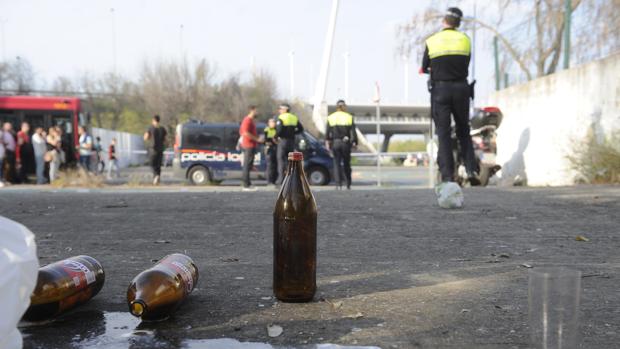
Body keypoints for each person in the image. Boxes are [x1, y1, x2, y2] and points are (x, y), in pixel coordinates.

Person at [420, 7, 480, 186]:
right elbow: (465, 63)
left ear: (443, 21)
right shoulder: (465, 40)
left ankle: (447, 175)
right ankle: (471, 169)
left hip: (440, 90)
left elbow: (424, 67)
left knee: (444, 133)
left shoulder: (432, 41)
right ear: (459, 23)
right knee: (463, 130)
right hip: (461, 88)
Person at [325, 100, 357, 190]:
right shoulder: (349, 117)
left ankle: (338, 184)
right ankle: (348, 184)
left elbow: (328, 132)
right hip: (346, 143)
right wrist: (354, 142)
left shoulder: (331, 117)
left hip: (335, 143)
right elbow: (353, 132)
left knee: (336, 164)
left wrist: (327, 142)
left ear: (337, 107)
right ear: (344, 107)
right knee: (347, 164)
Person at [275, 103, 304, 185]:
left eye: (280, 109)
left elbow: (279, 130)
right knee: (289, 161)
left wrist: (275, 136)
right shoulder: (294, 117)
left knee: (280, 160)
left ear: (284, 110)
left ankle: (281, 180)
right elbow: (301, 129)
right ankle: (290, 179)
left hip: (283, 141)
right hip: (291, 141)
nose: (279, 110)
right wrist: (293, 133)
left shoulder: (281, 117)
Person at [239, 106, 264, 190]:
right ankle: (245, 185)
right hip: (248, 145)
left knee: (249, 165)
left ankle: (248, 184)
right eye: (256, 111)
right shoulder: (247, 120)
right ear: (252, 111)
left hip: (251, 145)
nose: (257, 113)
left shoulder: (251, 121)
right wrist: (257, 139)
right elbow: (245, 133)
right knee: (247, 165)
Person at [144, 115, 167, 185]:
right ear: (159, 120)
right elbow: (166, 140)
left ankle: (156, 176)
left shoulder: (151, 128)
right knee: (158, 165)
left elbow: (146, 137)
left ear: (153, 120)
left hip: (152, 149)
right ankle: (157, 178)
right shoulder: (162, 129)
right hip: (160, 149)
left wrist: (147, 137)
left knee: (152, 164)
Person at [263, 118, 278, 186]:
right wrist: (271, 141)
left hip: (276, 149)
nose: (273, 123)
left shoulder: (277, 129)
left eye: (274, 122)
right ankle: (269, 181)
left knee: (276, 165)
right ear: (269, 123)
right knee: (270, 165)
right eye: (271, 122)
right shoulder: (266, 129)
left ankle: (274, 181)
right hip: (269, 149)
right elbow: (265, 140)